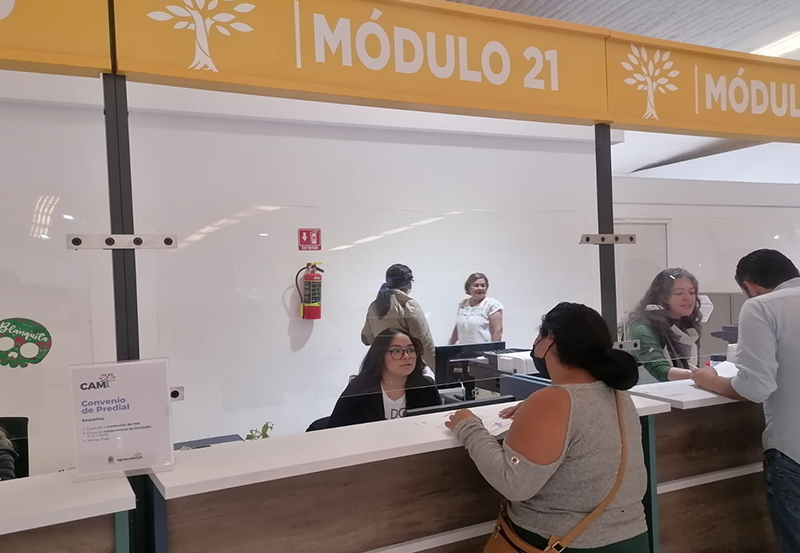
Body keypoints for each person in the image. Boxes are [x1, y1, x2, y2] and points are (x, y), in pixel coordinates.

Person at [446, 303, 647, 551]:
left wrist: (468, 426)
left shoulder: (553, 401)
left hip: (561, 543)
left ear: (551, 338)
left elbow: (514, 484)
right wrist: (538, 412)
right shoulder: (617, 393)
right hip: (632, 539)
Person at [692, 250, 800, 552]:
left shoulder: (761, 307)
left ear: (750, 285)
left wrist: (707, 379)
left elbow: (754, 388)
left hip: (794, 452)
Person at [329, 328, 441, 428]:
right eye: (396, 351)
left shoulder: (425, 386)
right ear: (380, 356)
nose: (406, 356)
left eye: (411, 350)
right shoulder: (359, 389)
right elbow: (333, 430)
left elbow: (437, 426)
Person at [626, 268, 703, 381]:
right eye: (679, 293)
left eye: (692, 292)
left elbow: (693, 365)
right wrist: (701, 376)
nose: (688, 298)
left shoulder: (688, 327)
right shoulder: (642, 327)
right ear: (662, 297)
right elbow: (660, 369)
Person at [362, 264, 436, 369]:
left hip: (383, 367)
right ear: (407, 283)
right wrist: (439, 371)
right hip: (406, 365)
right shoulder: (408, 304)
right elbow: (425, 343)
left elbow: (366, 338)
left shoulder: (374, 306)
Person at [448, 272, 504, 345]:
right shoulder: (463, 304)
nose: (480, 288)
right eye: (476, 285)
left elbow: (497, 331)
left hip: (484, 350)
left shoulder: (492, 305)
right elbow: (458, 328)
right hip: (463, 349)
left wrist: (494, 350)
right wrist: (449, 345)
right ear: (468, 287)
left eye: (483, 285)